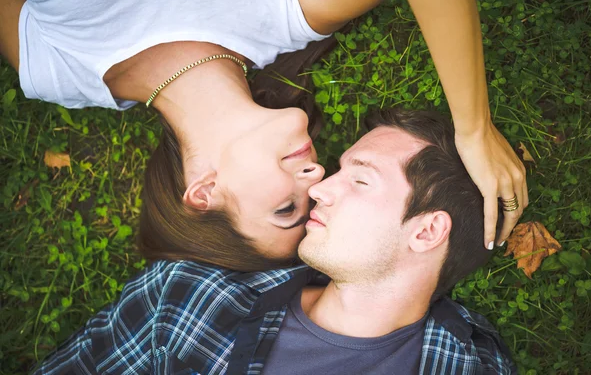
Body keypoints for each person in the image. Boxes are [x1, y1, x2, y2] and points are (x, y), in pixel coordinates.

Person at [0, 0, 527, 272]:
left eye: (284, 208)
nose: (318, 181)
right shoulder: (287, 12)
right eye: (313, 202)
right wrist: (473, 130)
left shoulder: (56, 69)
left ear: (203, 192)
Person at [32, 109, 516, 374]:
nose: (321, 187)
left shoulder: (472, 365)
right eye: (340, 170)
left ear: (427, 231)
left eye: (361, 181)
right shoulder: (190, 296)